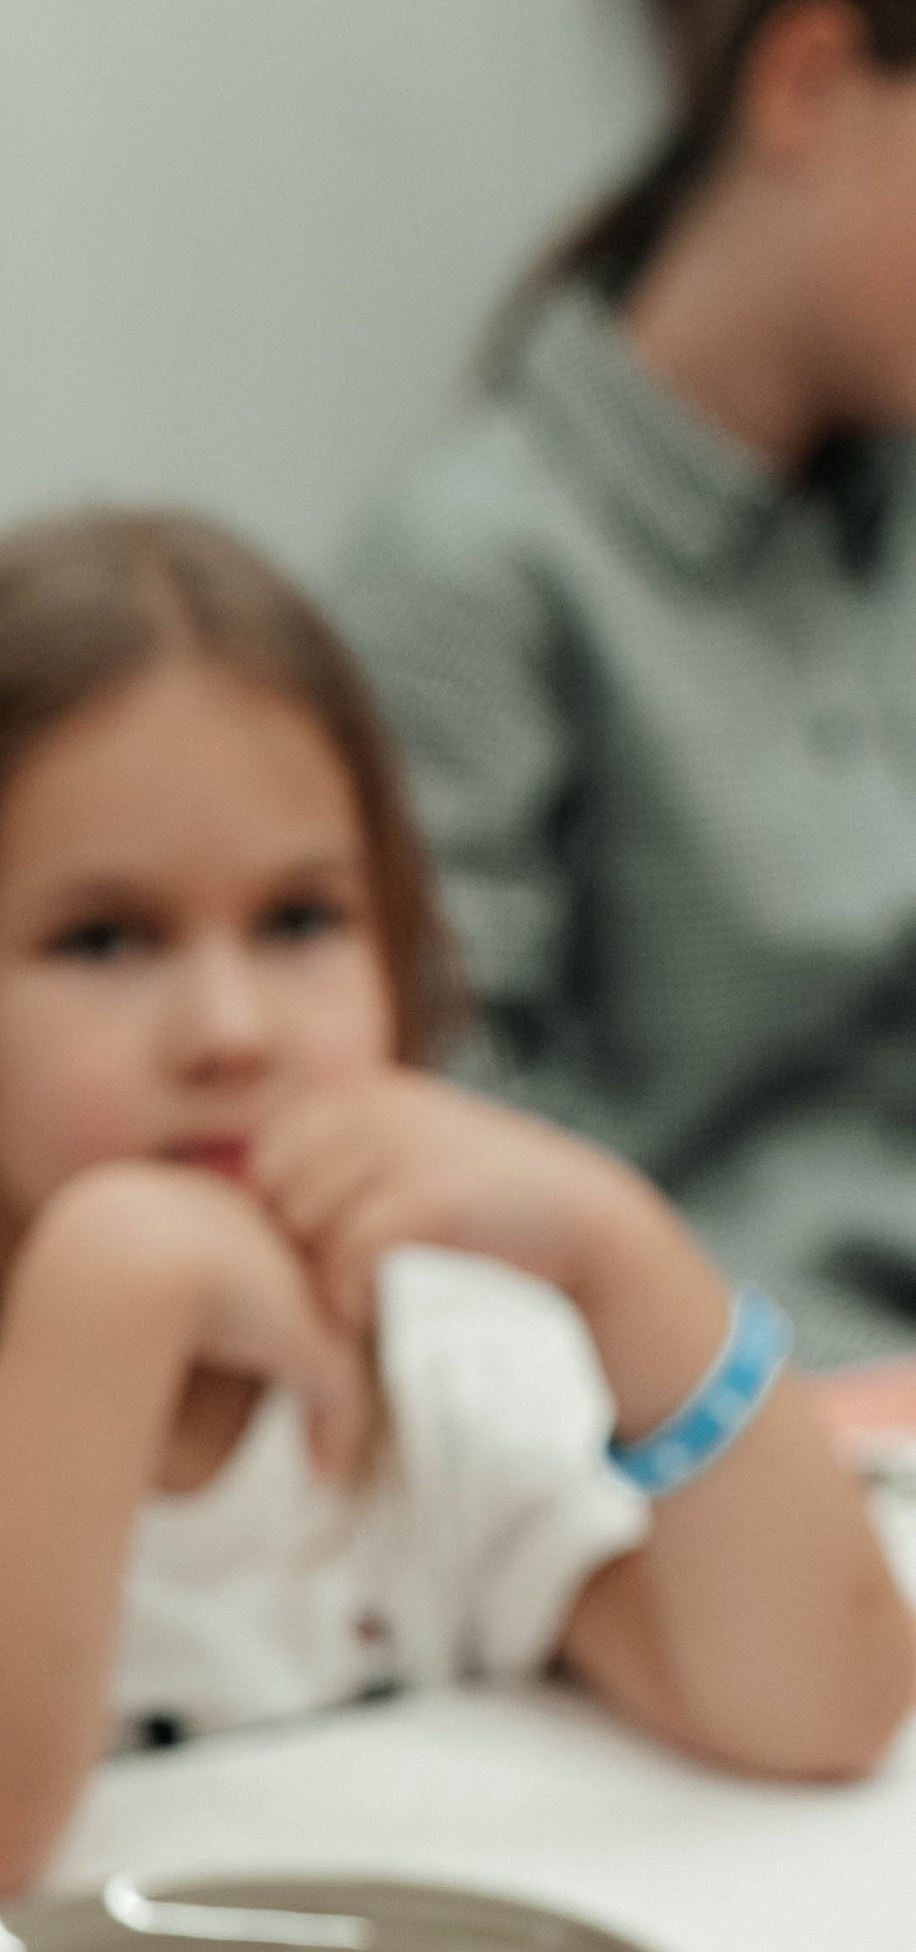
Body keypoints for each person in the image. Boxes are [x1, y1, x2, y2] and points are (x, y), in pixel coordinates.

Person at [0, 508, 910, 1905]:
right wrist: (111, 1298)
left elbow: (820, 1711)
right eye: (104, 938)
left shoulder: (448, 1357)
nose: (229, 1031)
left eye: (300, 921)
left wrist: (625, 1252)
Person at [339, 0, 916, 1370]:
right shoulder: (474, 573)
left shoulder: (882, 514)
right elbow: (437, 1151)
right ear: (808, 78)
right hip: (726, 1412)